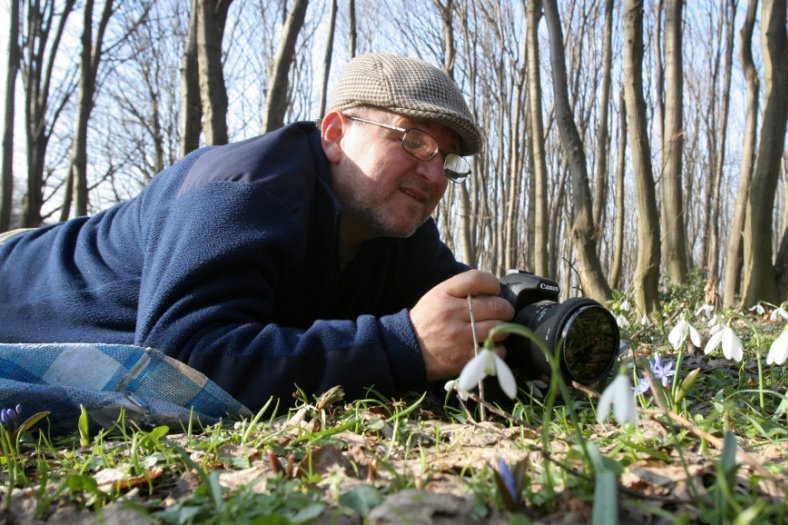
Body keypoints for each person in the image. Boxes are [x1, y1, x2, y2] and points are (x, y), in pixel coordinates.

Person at [0, 53, 514, 412]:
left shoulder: (396, 229)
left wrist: (528, 316)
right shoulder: (245, 190)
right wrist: (403, 346)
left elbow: (466, 312)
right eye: (414, 139)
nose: (433, 173)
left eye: (448, 159)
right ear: (335, 134)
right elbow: (179, 362)